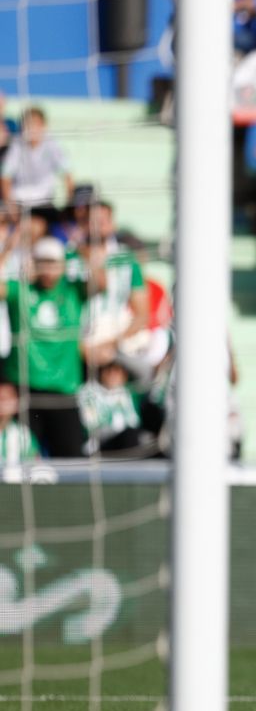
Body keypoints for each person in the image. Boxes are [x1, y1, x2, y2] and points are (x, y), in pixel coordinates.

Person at [5, 236, 101, 457]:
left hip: (63, 393)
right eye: (43, 263)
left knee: (71, 462)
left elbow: (101, 283)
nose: (48, 270)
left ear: (63, 265)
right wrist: (8, 250)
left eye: (53, 263)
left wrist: (83, 252)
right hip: (26, 391)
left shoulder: (72, 292)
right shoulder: (20, 291)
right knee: (22, 460)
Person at [0, 107, 72, 209]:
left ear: (43, 126)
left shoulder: (51, 144)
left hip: (43, 202)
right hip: (18, 202)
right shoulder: (17, 144)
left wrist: (68, 206)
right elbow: (5, 176)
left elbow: (67, 173)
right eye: (27, 124)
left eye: (35, 124)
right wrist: (11, 208)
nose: (31, 128)